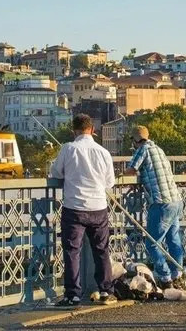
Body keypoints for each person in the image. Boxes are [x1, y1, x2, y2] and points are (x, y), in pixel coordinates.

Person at [50, 114, 117, 306]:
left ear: (74, 130)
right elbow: (109, 182)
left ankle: (73, 295)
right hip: (98, 207)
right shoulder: (103, 152)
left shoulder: (68, 148)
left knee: (72, 251)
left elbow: (56, 173)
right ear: (93, 130)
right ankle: (106, 291)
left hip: (74, 207)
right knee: (101, 250)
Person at [124, 125, 186, 290]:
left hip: (161, 202)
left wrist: (120, 175)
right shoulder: (159, 149)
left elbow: (131, 170)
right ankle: (177, 276)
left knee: (152, 243)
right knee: (174, 241)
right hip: (176, 201)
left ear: (135, 140)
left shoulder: (142, 149)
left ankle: (165, 278)